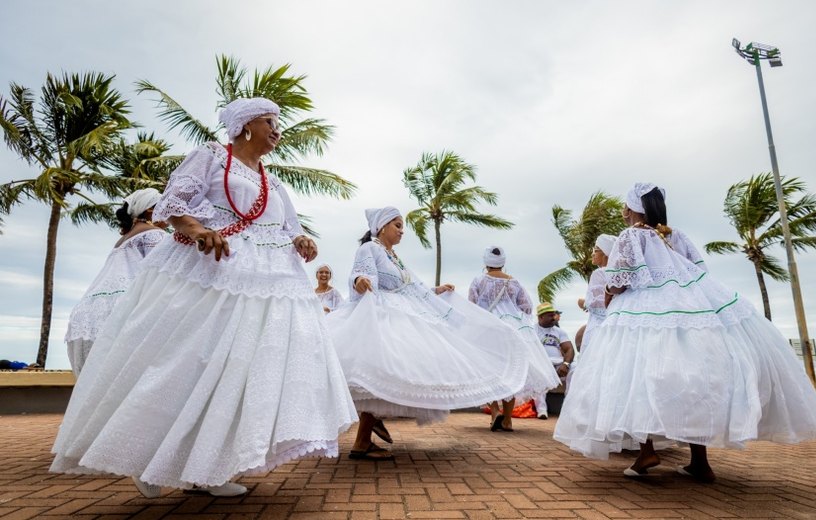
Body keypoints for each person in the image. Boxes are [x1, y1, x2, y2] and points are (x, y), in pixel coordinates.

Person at [51, 97, 357, 498]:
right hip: (211, 273)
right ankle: (148, 456)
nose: (277, 130)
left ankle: (208, 466)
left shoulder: (273, 181)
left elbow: (286, 225)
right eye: (270, 122)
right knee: (187, 361)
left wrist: (299, 239)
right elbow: (173, 204)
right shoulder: (211, 156)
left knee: (241, 372)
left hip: (266, 283)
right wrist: (198, 230)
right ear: (246, 125)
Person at [554, 183, 816, 483]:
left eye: (625, 206)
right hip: (690, 307)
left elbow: (622, 277)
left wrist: (609, 292)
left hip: (642, 310)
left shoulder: (631, 236)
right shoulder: (675, 234)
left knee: (637, 376)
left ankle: (646, 450)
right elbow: (698, 269)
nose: (623, 212)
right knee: (692, 377)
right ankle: (699, 461)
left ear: (635, 209)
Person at [325, 207, 559, 460]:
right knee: (384, 373)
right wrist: (360, 280)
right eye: (397, 225)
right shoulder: (369, 249)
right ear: (381, 227)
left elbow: (412, 287)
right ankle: (363, 437)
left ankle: (367, 431)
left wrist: (437, 291)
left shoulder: (393, 256)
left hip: (399, 316)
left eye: (403, 226)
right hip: (381, 318)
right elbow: (361, 274)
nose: (402, 230)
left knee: (394, 374)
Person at [64, 188, 167, 376]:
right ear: (152, 210)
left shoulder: (123, 239)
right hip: (124, 307)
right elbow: (162, 272)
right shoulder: (155, 234)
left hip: (90, 312)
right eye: (166, 208)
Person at [468, 246, 559, 430]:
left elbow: (472, 306)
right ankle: (508, 419)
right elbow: (526, 306)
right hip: (514, 329)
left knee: (490, 371)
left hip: (489, 328)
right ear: (503, 263)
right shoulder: (515, 283)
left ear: (486, 263)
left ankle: (495, 412)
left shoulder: (478, 280)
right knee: (511, 372)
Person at [574, 234, 617, 355]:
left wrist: (583, 303)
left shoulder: (599, 273)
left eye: (595, 250)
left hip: (599, 327)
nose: (593, 253)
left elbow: (598, 305)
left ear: (605, 253)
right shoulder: (618, 274)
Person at [533, 303, 575, 419]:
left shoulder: (559, 331)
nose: (554, 318)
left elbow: (569, 348)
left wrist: (566, 364)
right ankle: (542, 410)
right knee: (537, 372)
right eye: (550, 315)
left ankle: (568, 408)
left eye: (554, 315)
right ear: (541, 317)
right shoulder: (532, 330)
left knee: (575, 369)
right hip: (542, 363)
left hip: (559, 364)